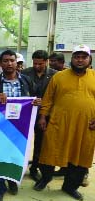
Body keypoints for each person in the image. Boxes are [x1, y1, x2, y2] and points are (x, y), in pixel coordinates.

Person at [34, 44, 95, 201]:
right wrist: (42, 117)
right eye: (77, 57)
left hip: (86, 127)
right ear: (72, 59)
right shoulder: (59, 77)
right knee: (49, 152)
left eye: (83, 57)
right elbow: (47, 99)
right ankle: (45, 178)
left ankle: (70, 186)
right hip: (58, 123)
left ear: (90, 59)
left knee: (80, 157)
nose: (80, 60)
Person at [0, 49, 38, 201]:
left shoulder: (26, 81)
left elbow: (35, 97)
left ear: (17, 62)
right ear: (1, 64)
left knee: (16, 155)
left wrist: (37, 102)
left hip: (20, 128)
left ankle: (12, 181)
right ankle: (0, 186)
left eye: (12, 60)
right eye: (5, 61)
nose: (9, 63)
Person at [21, 50, 57, 182]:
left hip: (45, 115)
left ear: (46, 62)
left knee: (40, 143)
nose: (37, 66)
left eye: (40, 64)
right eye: (35, 63)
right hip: (27, 112)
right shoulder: (25, 73)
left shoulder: (55, 75)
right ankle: (21, 166)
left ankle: (35, 168)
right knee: (24, 141)